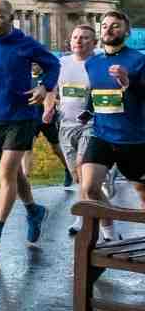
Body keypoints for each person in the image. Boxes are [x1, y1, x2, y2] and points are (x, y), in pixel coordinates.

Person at [0, 0, 60, 253]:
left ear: (10, 17)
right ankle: (33, 210)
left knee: (6, 172)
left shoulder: (25, 44)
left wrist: (44, 86)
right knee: (15, 174)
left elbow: (53, 64)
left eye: (0, 16)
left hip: (21, 115)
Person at [79, 11, 145, 242]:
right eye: (104, 25)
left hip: (134, 138)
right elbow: (95, 90)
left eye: (115, 26)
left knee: (142, 194)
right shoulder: (93, 62)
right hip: (102, 135)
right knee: (89, 187)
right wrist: (87, 111)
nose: (108, 29)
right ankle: (109, 234)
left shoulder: (138, 60)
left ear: (126, 32)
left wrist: (129, 83)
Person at [57, 25, 99, 235]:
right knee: (77, 175)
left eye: (84, 38)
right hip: (66, 125)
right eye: (75, 37)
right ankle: (103, 216)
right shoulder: (62, 63)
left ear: (94, 43)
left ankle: (81, 219)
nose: (79, 41)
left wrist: (92, 111)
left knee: (83, 169)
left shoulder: (98, 64)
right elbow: (51, 90)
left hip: (90, 125)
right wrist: (48, 107)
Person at [20, 63, 70, 186]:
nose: (33, 67)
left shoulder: (48, 78)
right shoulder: (25, 77)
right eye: (31, 64)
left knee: (56, 148)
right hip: (30, 119)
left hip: (47, 120)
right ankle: (25, 178)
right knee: (27, 148)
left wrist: (51, 107)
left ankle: (68, 169)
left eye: (36, 64)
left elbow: (55, 96)